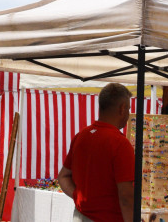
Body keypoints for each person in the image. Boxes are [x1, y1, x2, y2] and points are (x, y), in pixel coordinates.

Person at [58, 82, 136, 222]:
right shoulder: (120, 144)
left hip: (80, 216)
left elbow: (63, 177)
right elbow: (126, 197)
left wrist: (78, 196)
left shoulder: (81, 136)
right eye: (129, 109)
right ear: (122, 108)